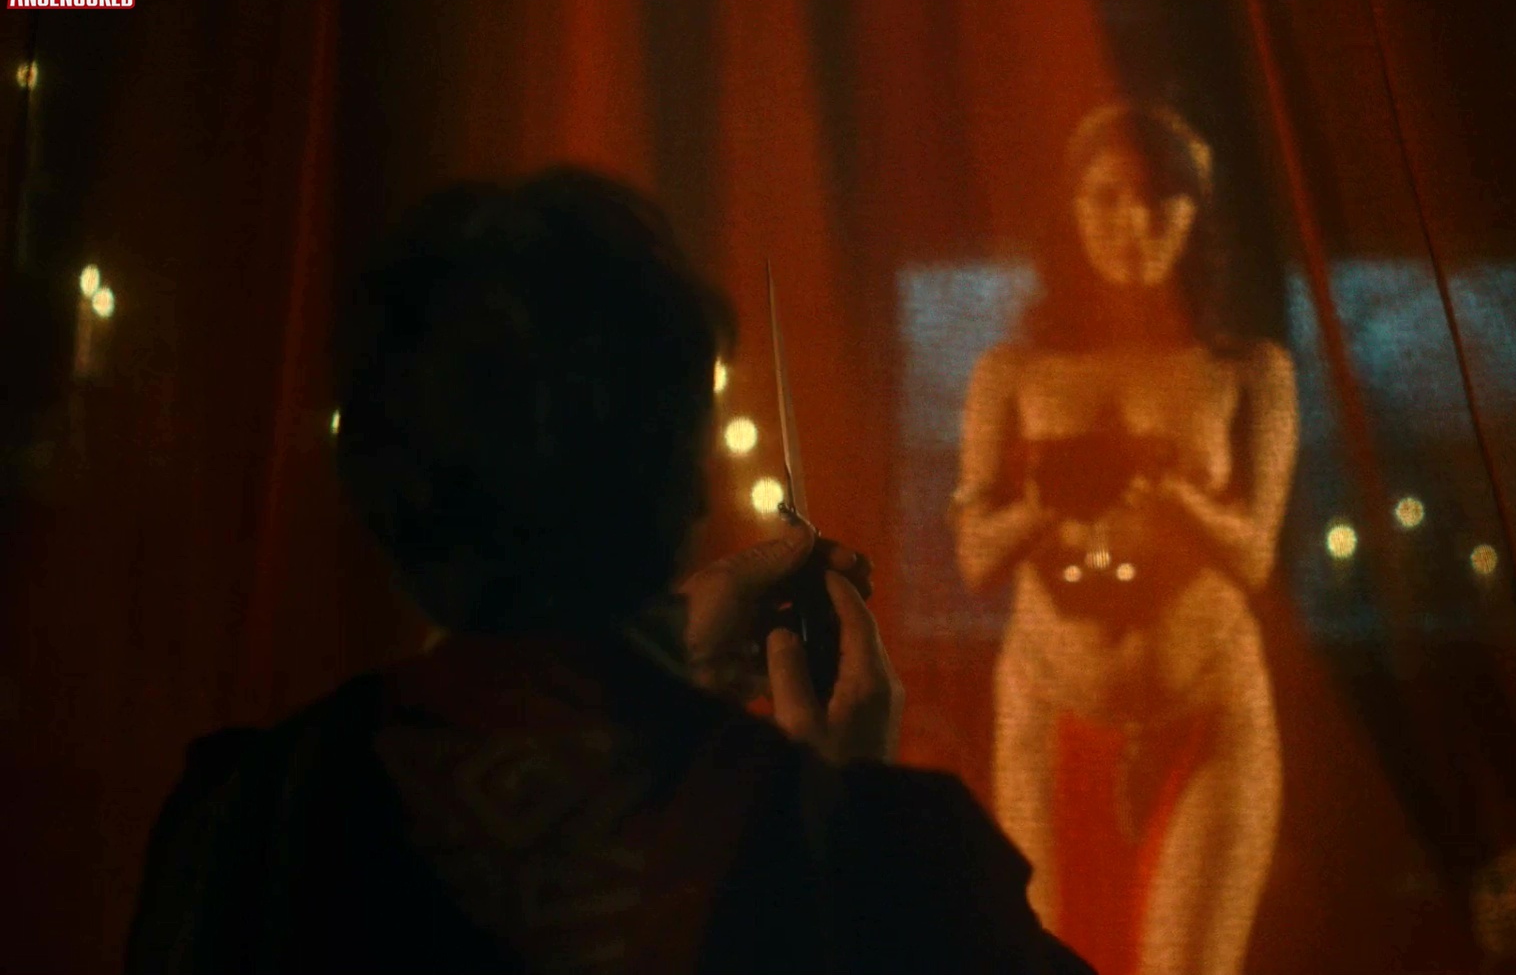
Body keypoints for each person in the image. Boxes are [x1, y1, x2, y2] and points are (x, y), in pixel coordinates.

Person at [125, 170, 1092, 975]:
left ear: (373, 476)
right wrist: (845, 825)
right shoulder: (864, 851)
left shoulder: (248, 828)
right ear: (685, 479)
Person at [952, 103, 1297, 975]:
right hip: (1050, 701)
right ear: (1073, 209)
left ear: (1195, 215)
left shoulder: (1249, 372)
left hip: (1208, 704)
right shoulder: (1011, 373)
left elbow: (1256, 558)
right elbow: (976, 558)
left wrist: (1168, 487)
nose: (1133, 223)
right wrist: (1053, 499)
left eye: (1159, 200)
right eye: (1108, 197)